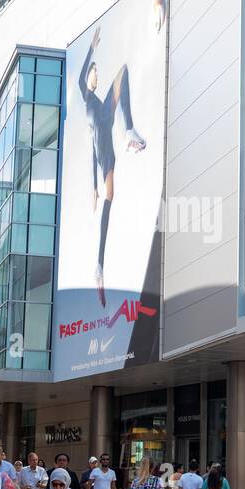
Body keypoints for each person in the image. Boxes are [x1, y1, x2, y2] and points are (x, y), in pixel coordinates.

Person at [79, 23, 147, 308]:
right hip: (104, 151)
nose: (96, 74)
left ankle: (129, 130)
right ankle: (99, 266)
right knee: (110, 197)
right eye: (94, 72)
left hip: (108, 124)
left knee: (123, 74)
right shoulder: (87, 99)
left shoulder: (98, 100)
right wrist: (93, 185)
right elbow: (92, 148)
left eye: (96, 71)